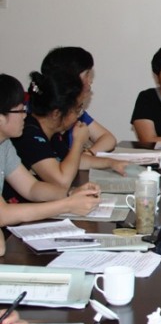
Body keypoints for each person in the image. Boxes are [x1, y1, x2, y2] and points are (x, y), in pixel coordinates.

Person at [0, 74, 99, 254]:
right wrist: (67, 205)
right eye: (20, 111)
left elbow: (31, 188)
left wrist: (70, 194)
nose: (25, 116)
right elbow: (4, 214)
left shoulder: (4, 144)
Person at [3, 71, 123, 203]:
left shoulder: (51, 132)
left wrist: (112, 163)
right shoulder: (28, 134)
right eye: (77, 110)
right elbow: (62, 181)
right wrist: (78, 142)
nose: (24, 115)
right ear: (56, 113)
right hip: (22, 209)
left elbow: (72, 161)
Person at [40, 46, 127, 167]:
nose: (90, 81)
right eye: (87, 75)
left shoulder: (74, 110)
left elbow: (108, 139)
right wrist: (79, 146)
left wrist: (89, 153)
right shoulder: (43, 117)